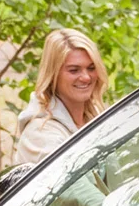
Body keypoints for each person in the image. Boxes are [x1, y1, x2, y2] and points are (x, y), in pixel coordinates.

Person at [12, 28, 108, 167]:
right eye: (74, 70)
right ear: (53, 74)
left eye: (91, 68)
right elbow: (78, 189)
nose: (86, 77)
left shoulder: (95, 117)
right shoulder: (41, 134)